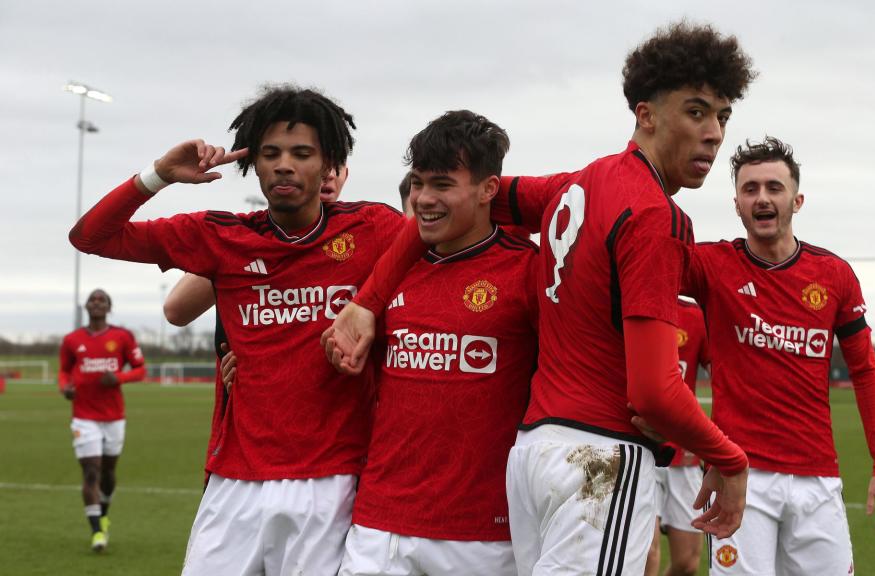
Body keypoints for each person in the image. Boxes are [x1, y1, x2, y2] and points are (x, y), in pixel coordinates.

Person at [324, 21, 757, 574]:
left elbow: (449, 201)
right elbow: (652, 391)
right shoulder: (655, 215)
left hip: (532, 457)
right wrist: (731, 459)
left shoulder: (574, 185)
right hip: (600, 461)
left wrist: (366, 301)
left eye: (722, 115)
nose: (715, 132)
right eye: (697, 111)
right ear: (645, 114)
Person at [69, 85, 404, 575]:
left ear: (329, 164)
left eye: (301, 153)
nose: (284, 165)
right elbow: (90, 236)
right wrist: (158, 175)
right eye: (270, 154)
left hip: (332, 481)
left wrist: (372, 314)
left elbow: (448, 235)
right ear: (254, 165)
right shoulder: (222, 236)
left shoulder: (374, 228)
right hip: (235, 484)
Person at [682, 137, 875, 575]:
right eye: (750, 189)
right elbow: (636, 262)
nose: (762, 197)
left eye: (774, 188)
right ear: (737, 205)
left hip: (817, 477)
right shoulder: (710, 265)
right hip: (740, 476)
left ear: (796, 200)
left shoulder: (833, 275)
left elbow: (865, 370)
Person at [338, 110, 538, 575]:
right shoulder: (388, 273)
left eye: (442, 185)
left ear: (490, 189)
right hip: (378, 527)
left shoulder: (528, 271)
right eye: (417, 183)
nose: (424, 199)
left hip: (483, 536)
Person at [162, 162, 350, 476]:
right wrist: (248, 244)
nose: (330, 174)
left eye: (338, 166)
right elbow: (176, 309)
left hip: (331, 455)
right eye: (320, 163)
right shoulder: (247, 243)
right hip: (242, 447)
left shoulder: (361, 242)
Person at [58, 288, 146, 552]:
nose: (96, 303)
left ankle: (104, 512)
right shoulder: (72, 340)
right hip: (84, 417)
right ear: (86, 306)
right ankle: (97, 532)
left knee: (108, 472)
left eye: (102, 300)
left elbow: (141, 370)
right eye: (92, 299)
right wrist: (65, 388)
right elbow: (63, 371)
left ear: (109, 307)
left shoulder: (122, 336)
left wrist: (118, 378)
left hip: (114, 417)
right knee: (91, 471)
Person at [645, 297, 711, 576]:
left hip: (683, 456)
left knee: (687, 564)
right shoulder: (625, 305)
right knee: (645, 554)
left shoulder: (694, 316)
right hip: (641, 451)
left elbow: (725, 374)